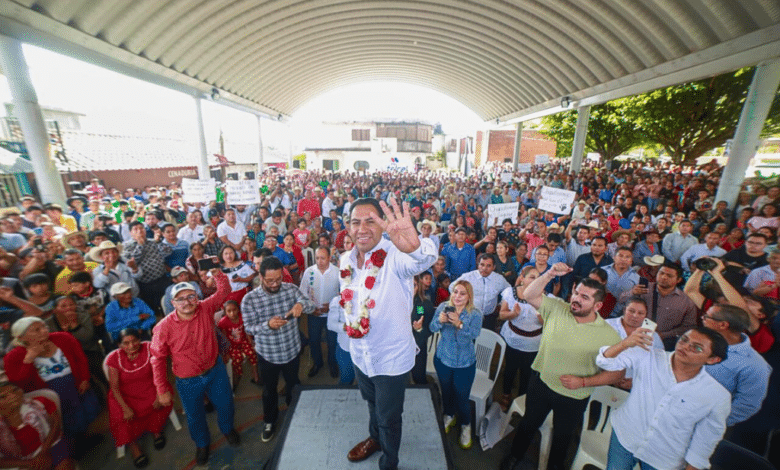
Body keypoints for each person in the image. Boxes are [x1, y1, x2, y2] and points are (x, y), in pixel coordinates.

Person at [341, 198, 437, 470]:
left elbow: (424, 259)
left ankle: (390, 460)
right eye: (356, 222)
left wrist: (415, 245)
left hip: (391, 360)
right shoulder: (344, 261)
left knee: (389, 417)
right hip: (360, 354)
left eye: (370, 221)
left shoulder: (395, 255)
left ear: (383, 225)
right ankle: (375, 439)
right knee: (372, 404)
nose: (362, 228)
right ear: (348, 226)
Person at [501, 263, 622, 470]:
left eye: (585, 297)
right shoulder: (557, 309)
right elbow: (529, 295)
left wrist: (584, 381)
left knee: (562, 436)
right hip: (541, 383)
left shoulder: (609, 334)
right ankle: (514, 456)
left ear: (598, 306)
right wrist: (549, 274)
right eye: (576, 293)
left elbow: (617, 373)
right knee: (529, 423)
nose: (577, 299)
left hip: (574, 396)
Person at [596, 327, 731, 470]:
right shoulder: (649, 357)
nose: (685, 347)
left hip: (664, 458)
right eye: (684, 340)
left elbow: (706, 438)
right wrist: (625, 344)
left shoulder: (717, 395)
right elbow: (604, 362)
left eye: (696, 348)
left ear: (712, 359)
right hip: (626, 437)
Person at [150, 264, 240, 466]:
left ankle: (227, 429)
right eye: (181, 299)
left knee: (226, 404)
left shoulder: (205, 308)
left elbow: (224, 291)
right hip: (187, 380)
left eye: (191, 296)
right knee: (194, 415)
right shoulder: (162, 328)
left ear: (197, 298)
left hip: (215, 371)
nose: (187, 302)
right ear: (172, 303)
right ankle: (202, 444)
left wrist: (218, 275)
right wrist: (162, 388)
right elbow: (157, 359)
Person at [240, 256, 315, 443]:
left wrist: (301, 304)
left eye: (278, 279)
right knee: (269, 391)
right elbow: (249, 327)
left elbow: (311, 305)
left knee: (293, 384)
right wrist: (267, 325)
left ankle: (294, 412)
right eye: (270, 281)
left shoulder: (291, 289)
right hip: (268, 355)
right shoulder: (250, 299)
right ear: (261, 277)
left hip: (291, 351)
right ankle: (270, 421)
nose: (275, 284)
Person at [5, 317, 101, 457]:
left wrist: (85, 378)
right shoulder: (13, 357)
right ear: (21, 337)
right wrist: (29, 359)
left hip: (73, 384)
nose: (44, 331)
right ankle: (70, 449)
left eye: (43, 326)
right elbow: (18, 384)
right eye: (37, 329)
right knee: (60, 420)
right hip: (48, 392)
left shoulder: (63, 337)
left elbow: (80, 358)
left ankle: (84, 439)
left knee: (81, 412)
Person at [105, 329, 173, 468]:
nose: (131, 346)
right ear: (119, 345)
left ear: (140, 339)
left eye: (134, 340)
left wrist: (158, 394)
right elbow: (115, 387)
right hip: (125, 394)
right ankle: (134, 446)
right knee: (122, 416)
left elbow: (161, 372)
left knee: (160, 402)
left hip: (150, 387)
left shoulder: (149, 347)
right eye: (126, 343)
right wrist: (125, 407)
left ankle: (156, 430)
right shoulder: (114, 359)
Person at [429, 280, 483, 449]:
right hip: (443, 359)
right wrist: (440, 321)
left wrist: (459, 324)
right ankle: (449, 415)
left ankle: (466, 425)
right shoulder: (443, 307)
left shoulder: (475, 314)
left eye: (462, 293)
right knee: (446, 391)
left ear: (469, 297)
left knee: (462, 397)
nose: (458, 296)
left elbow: (475, 334)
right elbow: (431, 328)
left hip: (464, 364)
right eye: (455, 292)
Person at [701, 304, 772, 426]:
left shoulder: (755, 366)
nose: (703, 319)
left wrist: (708, 423)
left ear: (723, 325)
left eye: (707, 317)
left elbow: (746, 406)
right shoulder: (701, 340)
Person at [622, 262, 699, 350]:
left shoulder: (686, 301)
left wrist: (663, 335)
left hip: (663, 343)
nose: (664, 277)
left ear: (679, 280)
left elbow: (689, 327)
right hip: (633, 335)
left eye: (669, 276)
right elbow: (621, 300)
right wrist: (632, 292)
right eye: (661, 273)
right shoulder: (643, 289)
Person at [0, 381, 75, 470]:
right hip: (18, 462)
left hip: (50, 445)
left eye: (15, 390)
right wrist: (30, 463)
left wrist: (43, 452)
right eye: (3, 396)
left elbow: (56, 424)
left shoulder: (40, 402)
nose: (12, 396)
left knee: (64, 466)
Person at [497, 266, 543, 408]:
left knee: (527, 373)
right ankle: (506, 395)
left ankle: (521, 400)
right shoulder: (510, 293)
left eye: (538, 278)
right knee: (510, 369)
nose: (535, 281)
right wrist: (513, 315)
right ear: (522, 278)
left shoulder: (545, 298)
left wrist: (541, 318)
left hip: (533, 344)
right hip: (513, 340)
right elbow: (501, 314)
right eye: (532, 277)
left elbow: (548, 324)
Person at [299, 246, 340, 378]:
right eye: (317, 258)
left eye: (323, 258)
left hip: (332, 314)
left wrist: (333, 306)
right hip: (314, 314)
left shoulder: (337, 272)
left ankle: (332, 363)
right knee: (314, 340)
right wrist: (310, 310)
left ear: (329, 258)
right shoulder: (309, 272)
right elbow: (302, 294)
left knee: (332, 341)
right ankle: (318, 363)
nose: (320, 261)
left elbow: (343, 294)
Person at [453, 254, 510, 332]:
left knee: (486, 340)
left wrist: (501, 305)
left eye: (488, 266)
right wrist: (462, 303)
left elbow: (509, 292)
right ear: (478, 265)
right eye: (482, 265)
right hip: (470, 315)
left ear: (494, 267)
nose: (484, 268)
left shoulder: (499, 279)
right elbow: (452, 287)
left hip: (490, 317)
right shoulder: (468, 277)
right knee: (469, 337)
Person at [216, 300, 260, 391]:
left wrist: (250, 341)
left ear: (238, 310)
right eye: (229, 311)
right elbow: (224, 338)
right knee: (237, 359)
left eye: (234, 310)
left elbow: (246, 331)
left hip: (243, 341)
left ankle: (255, 373)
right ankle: (237, 376)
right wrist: (226, 352)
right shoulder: (223, 322)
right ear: (225, 311)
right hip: (232, 344)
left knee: (252, 352)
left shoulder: (242, 318)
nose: (232, 313)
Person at [410, 272, 435, 385]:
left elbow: (429, 328)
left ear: (418, 286)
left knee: (418, 378)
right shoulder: (392, 303)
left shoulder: (422, 305)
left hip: (417, 348)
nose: (409, 288)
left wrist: (419, 329)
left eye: (413, 285)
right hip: (397, 348)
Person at [326, 295, 355, 385]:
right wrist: (346, 327)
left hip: (368, 350)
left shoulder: (372, 298)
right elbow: (330, 324)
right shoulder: (337, 300)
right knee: (346, 380)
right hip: (346, 349)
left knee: (368, 384)